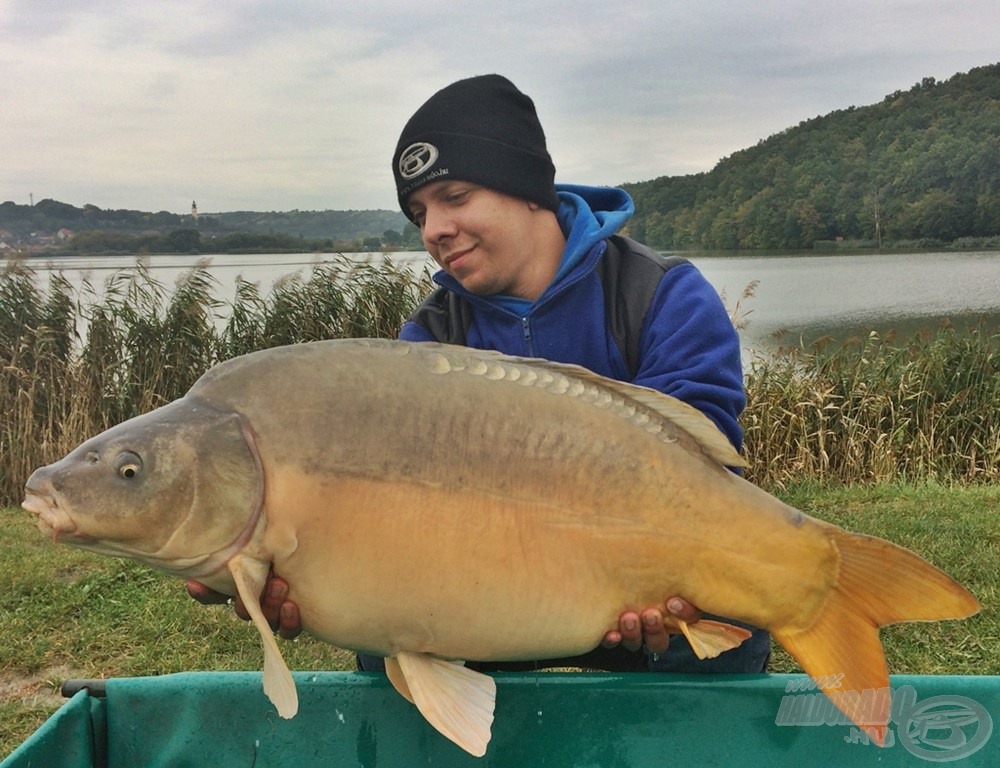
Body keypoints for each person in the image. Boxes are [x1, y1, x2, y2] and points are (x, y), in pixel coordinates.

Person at [189, 74, 770, 675]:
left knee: (724, 609)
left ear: (527, 191)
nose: (433, 230)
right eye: (419, 212)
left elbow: (705, 469)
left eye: (456, 197)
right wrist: (302, 573)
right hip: (498, 592)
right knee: (388, 639)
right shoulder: (431, 339)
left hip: (643, 573)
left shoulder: (658, 292)